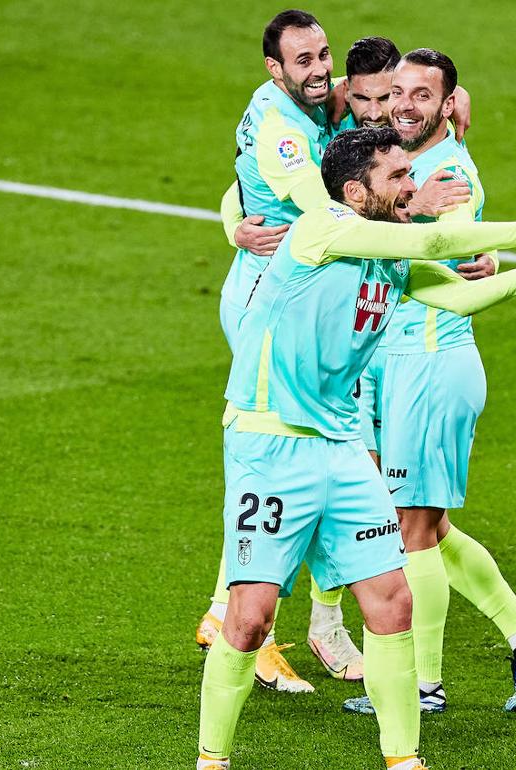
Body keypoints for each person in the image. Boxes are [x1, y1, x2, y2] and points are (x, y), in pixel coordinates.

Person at [196, 125, 516, 770]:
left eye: (410, 175)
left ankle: (404, 761)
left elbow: (454, 295)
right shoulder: (324, 229)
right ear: (356, 190)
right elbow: (434, 237)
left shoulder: (387, 256)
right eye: (397, 177)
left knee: (392, 602)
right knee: (249, 618)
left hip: (339, 445)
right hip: (269, 444)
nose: (411, 187)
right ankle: (212, 760)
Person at [199, 29, 478, 686]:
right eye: (373, 98)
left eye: (398, 99)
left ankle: (320, 624)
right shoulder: (313, 127)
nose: (385, 112)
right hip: (278, 301)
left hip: (340, 312)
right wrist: (232, 226)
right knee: (290, 456)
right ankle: (236, 616)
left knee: (347, 461)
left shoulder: (365, 138)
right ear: (353, 95)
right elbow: (262, 189)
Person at [343, 49, 516, 718]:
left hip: (432, 365)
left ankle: (422, 685)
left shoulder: (452, 177)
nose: (402, 104)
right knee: (427, 526)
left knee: (409, 529)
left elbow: (447, 253)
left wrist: (468, 244)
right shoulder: (406, 155)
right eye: (398, 91)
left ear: (448, 104)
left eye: (421, 95)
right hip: (397, 362)